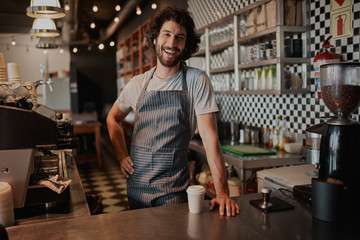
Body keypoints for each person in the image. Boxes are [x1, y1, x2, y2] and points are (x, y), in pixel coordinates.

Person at [106, 7, 239, 217]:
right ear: (155, 38)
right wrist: (122, 155)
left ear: (186, 45)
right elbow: (112, 119)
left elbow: (209, 137)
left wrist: (222, 192)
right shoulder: (138, 84)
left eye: (179, 37)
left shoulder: (196, 80)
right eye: (166, 34)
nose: (171, 43)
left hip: (173, 191)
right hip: (136, 188)